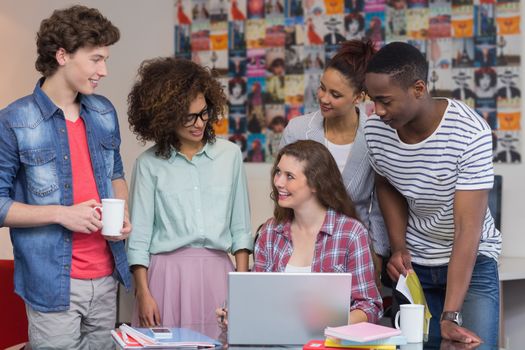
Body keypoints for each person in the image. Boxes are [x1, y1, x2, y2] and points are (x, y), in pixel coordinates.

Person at [0, 6, 131, 349]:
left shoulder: (104, 112)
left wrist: (122, 213)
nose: (103, 70)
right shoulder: (14, 120)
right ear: (62, 56)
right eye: (96, 59)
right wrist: (63, 214)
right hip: (52, 283)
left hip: (106, 277)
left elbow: (115, 173)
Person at [364, 42, 501, 346]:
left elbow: (468, 229)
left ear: (418, 88)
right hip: (415, 267)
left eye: (385, 100)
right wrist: (398, 246)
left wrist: (450, 315)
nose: (378, 111)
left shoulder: (469, 132)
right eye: (373, 100)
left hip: (472, 260)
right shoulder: (376, 131)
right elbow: (386, 182)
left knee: (472, 345)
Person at [126, 57, 252, 339]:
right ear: (165, 117)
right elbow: (139, 238)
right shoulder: (148, 164)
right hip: (165, 278)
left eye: (204, 113)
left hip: (219, 276)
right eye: (188, 117)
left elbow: (241, 231)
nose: (200, 124)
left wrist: (242, 289)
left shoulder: (230, 155)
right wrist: (143, 293)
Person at [217, 140, 383, 325]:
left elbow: (369, 306)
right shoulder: (269, 232)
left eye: (289, 176)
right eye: (278, 172)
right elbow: (258, 301)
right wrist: (236, 315)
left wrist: (327, 324)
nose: (278, 182)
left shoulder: (351, 233)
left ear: (316, 183)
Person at [280, 39, 389, 284]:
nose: (323, 98)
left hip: (354, 250)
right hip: (301, 248)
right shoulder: (298, 130)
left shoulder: (375, 136)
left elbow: (380, 207)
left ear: (359, 96)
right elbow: (282, 194)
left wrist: (378, 254)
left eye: (335, 94)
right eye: (322, 88)